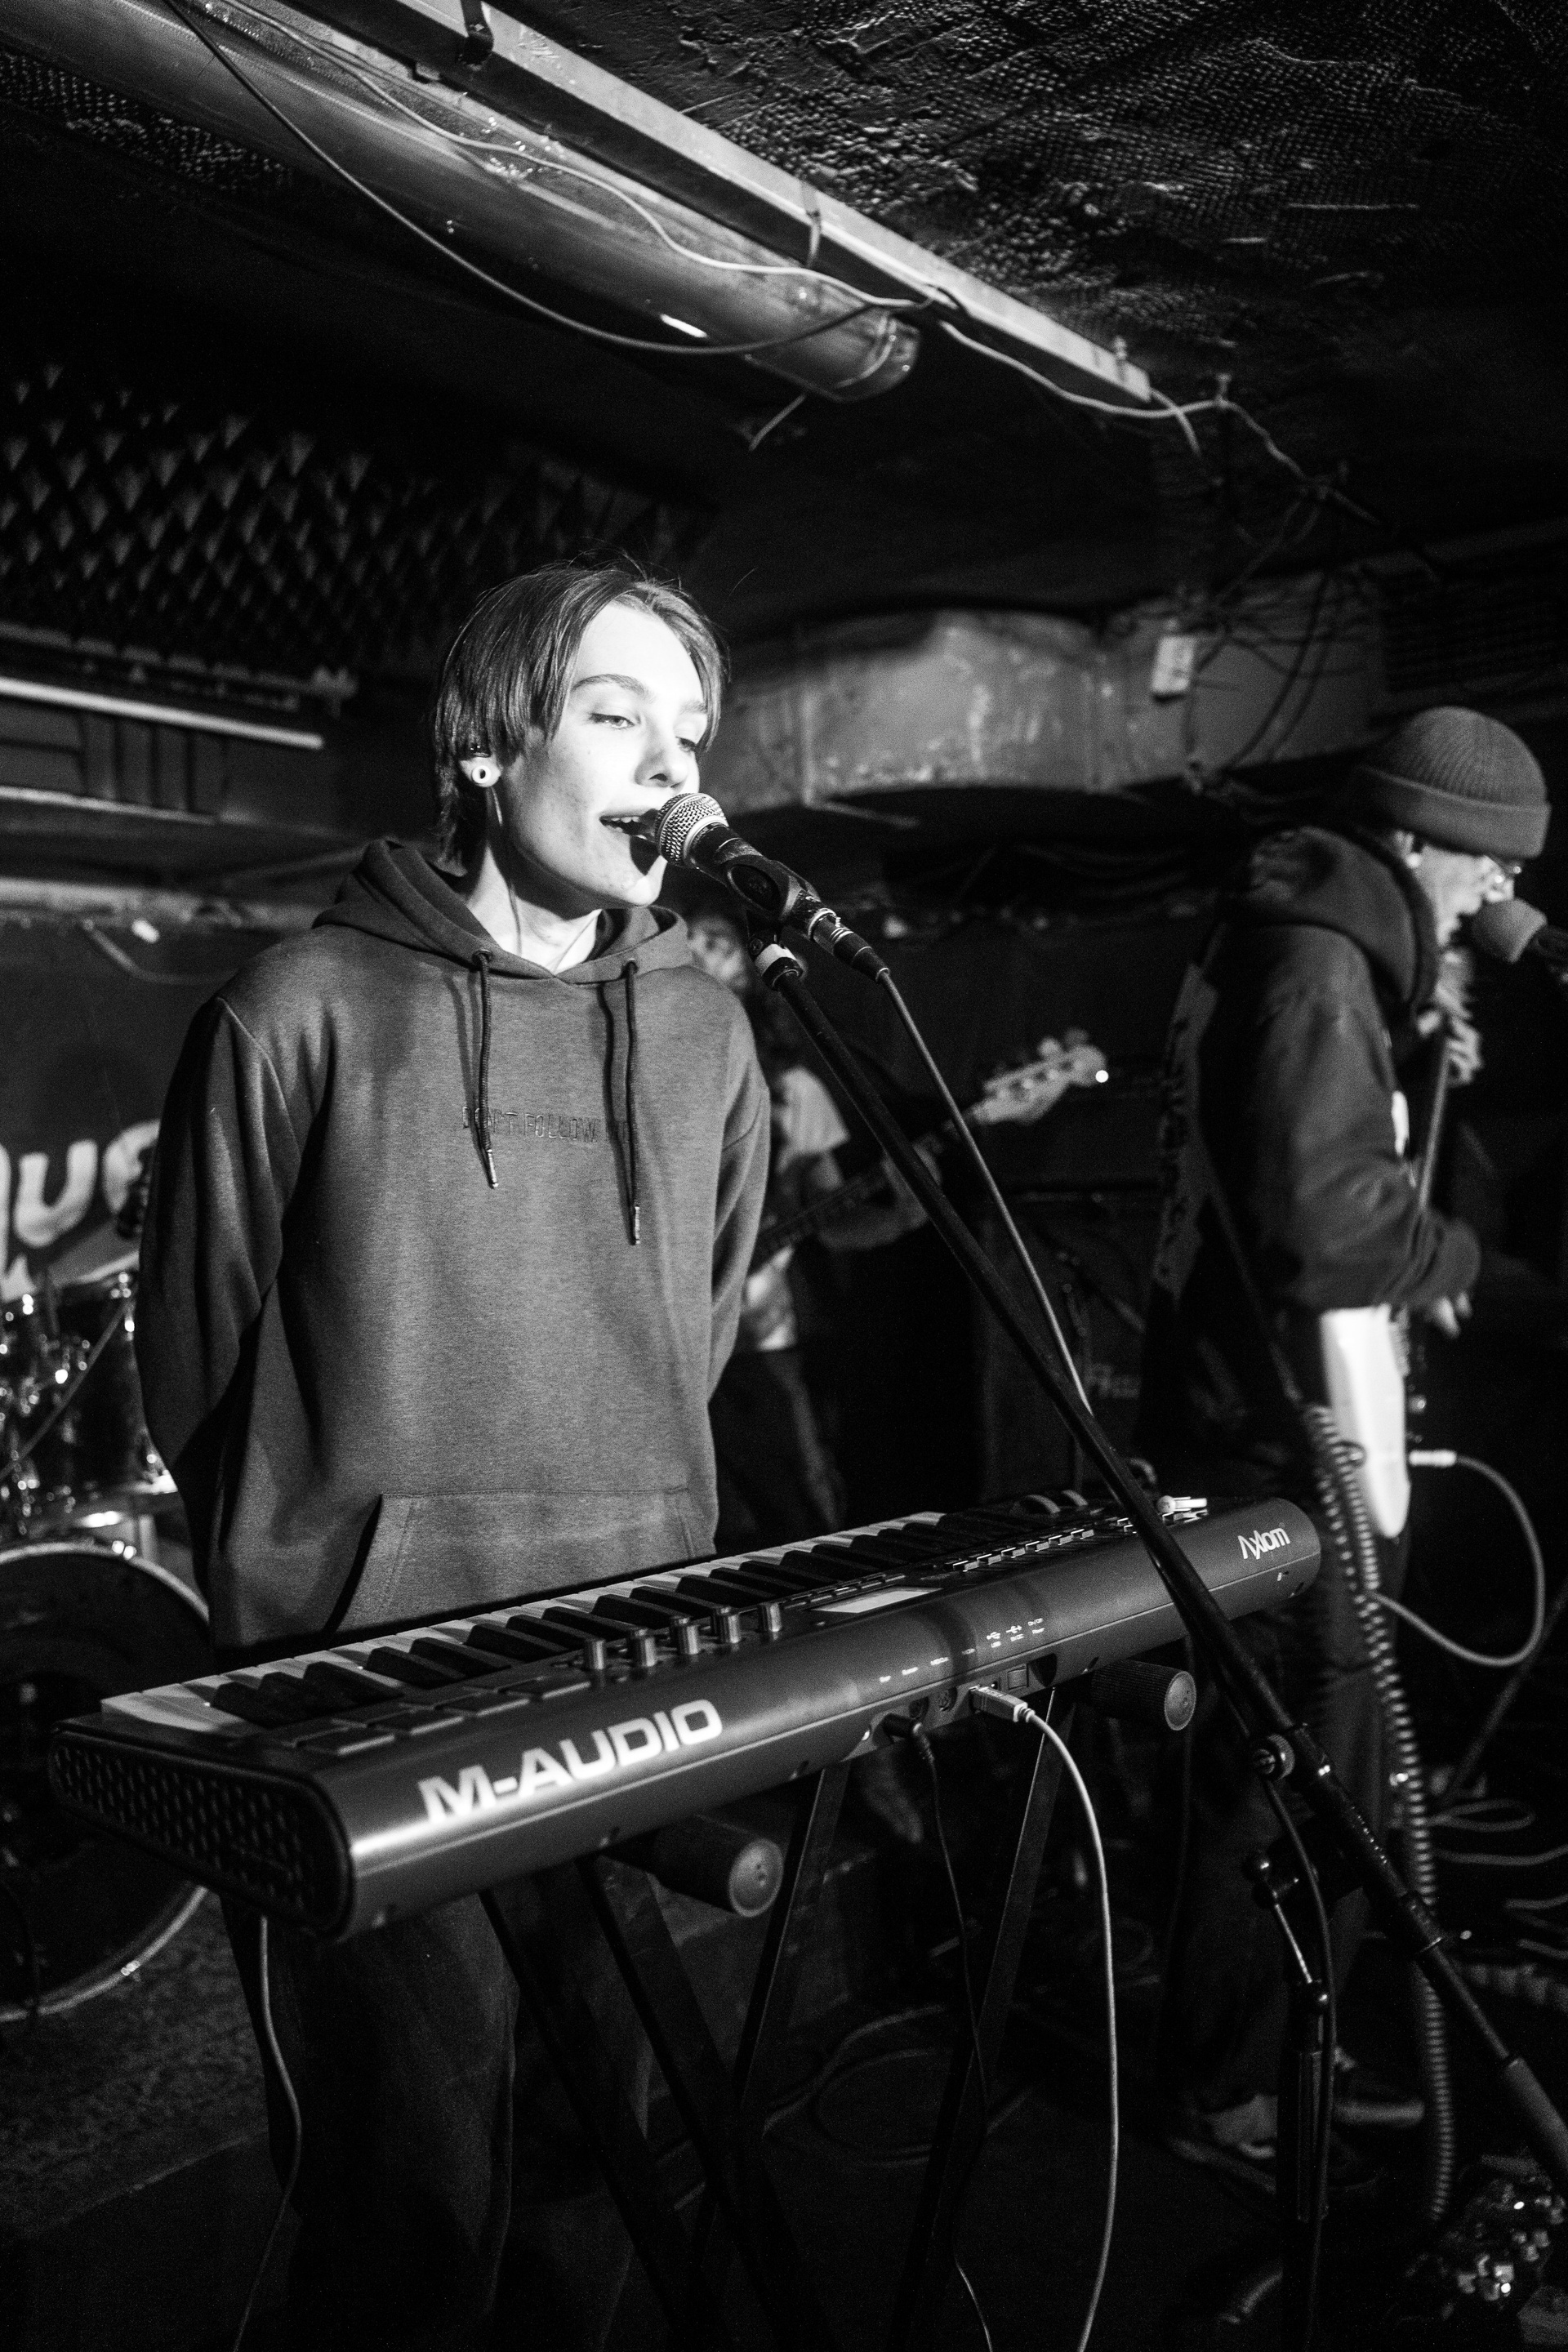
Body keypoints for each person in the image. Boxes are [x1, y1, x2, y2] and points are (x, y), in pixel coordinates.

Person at [136, 562, 769, 2350]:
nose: (673, 766)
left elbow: (698, 1329)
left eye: (693, 729)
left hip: (634, 1672)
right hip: (372, 1706)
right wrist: (335, 1582)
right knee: (403, 2207)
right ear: (489, 748)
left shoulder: (711, 1030)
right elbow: (197, 1366)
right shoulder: (296, 1010)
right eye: (617, 714)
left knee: (592, 2166)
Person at [1137, 705, 1550, 2181]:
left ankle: (1272, 2056)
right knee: (1292, 1776)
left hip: (1260, 1421)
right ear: (1424, 841)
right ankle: (1226, 2091)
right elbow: (1323, 1225)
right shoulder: (1315, 963)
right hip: (1267, 1442)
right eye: (1489, 867)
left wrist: (1421, 1033)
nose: (1502, 895)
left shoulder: (1313, 947)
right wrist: (1459, 1266)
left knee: (1323, 1770)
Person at [687, 902, 927, 1555]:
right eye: (690, 941)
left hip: (760, 1344)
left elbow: (830, 1224)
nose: (696, 952)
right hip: (667, 1344)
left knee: (801, 1524)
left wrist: (902, 1212)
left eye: (716, 945)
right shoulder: (652, 1074)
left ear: (745, 980)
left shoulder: (793, 1093)